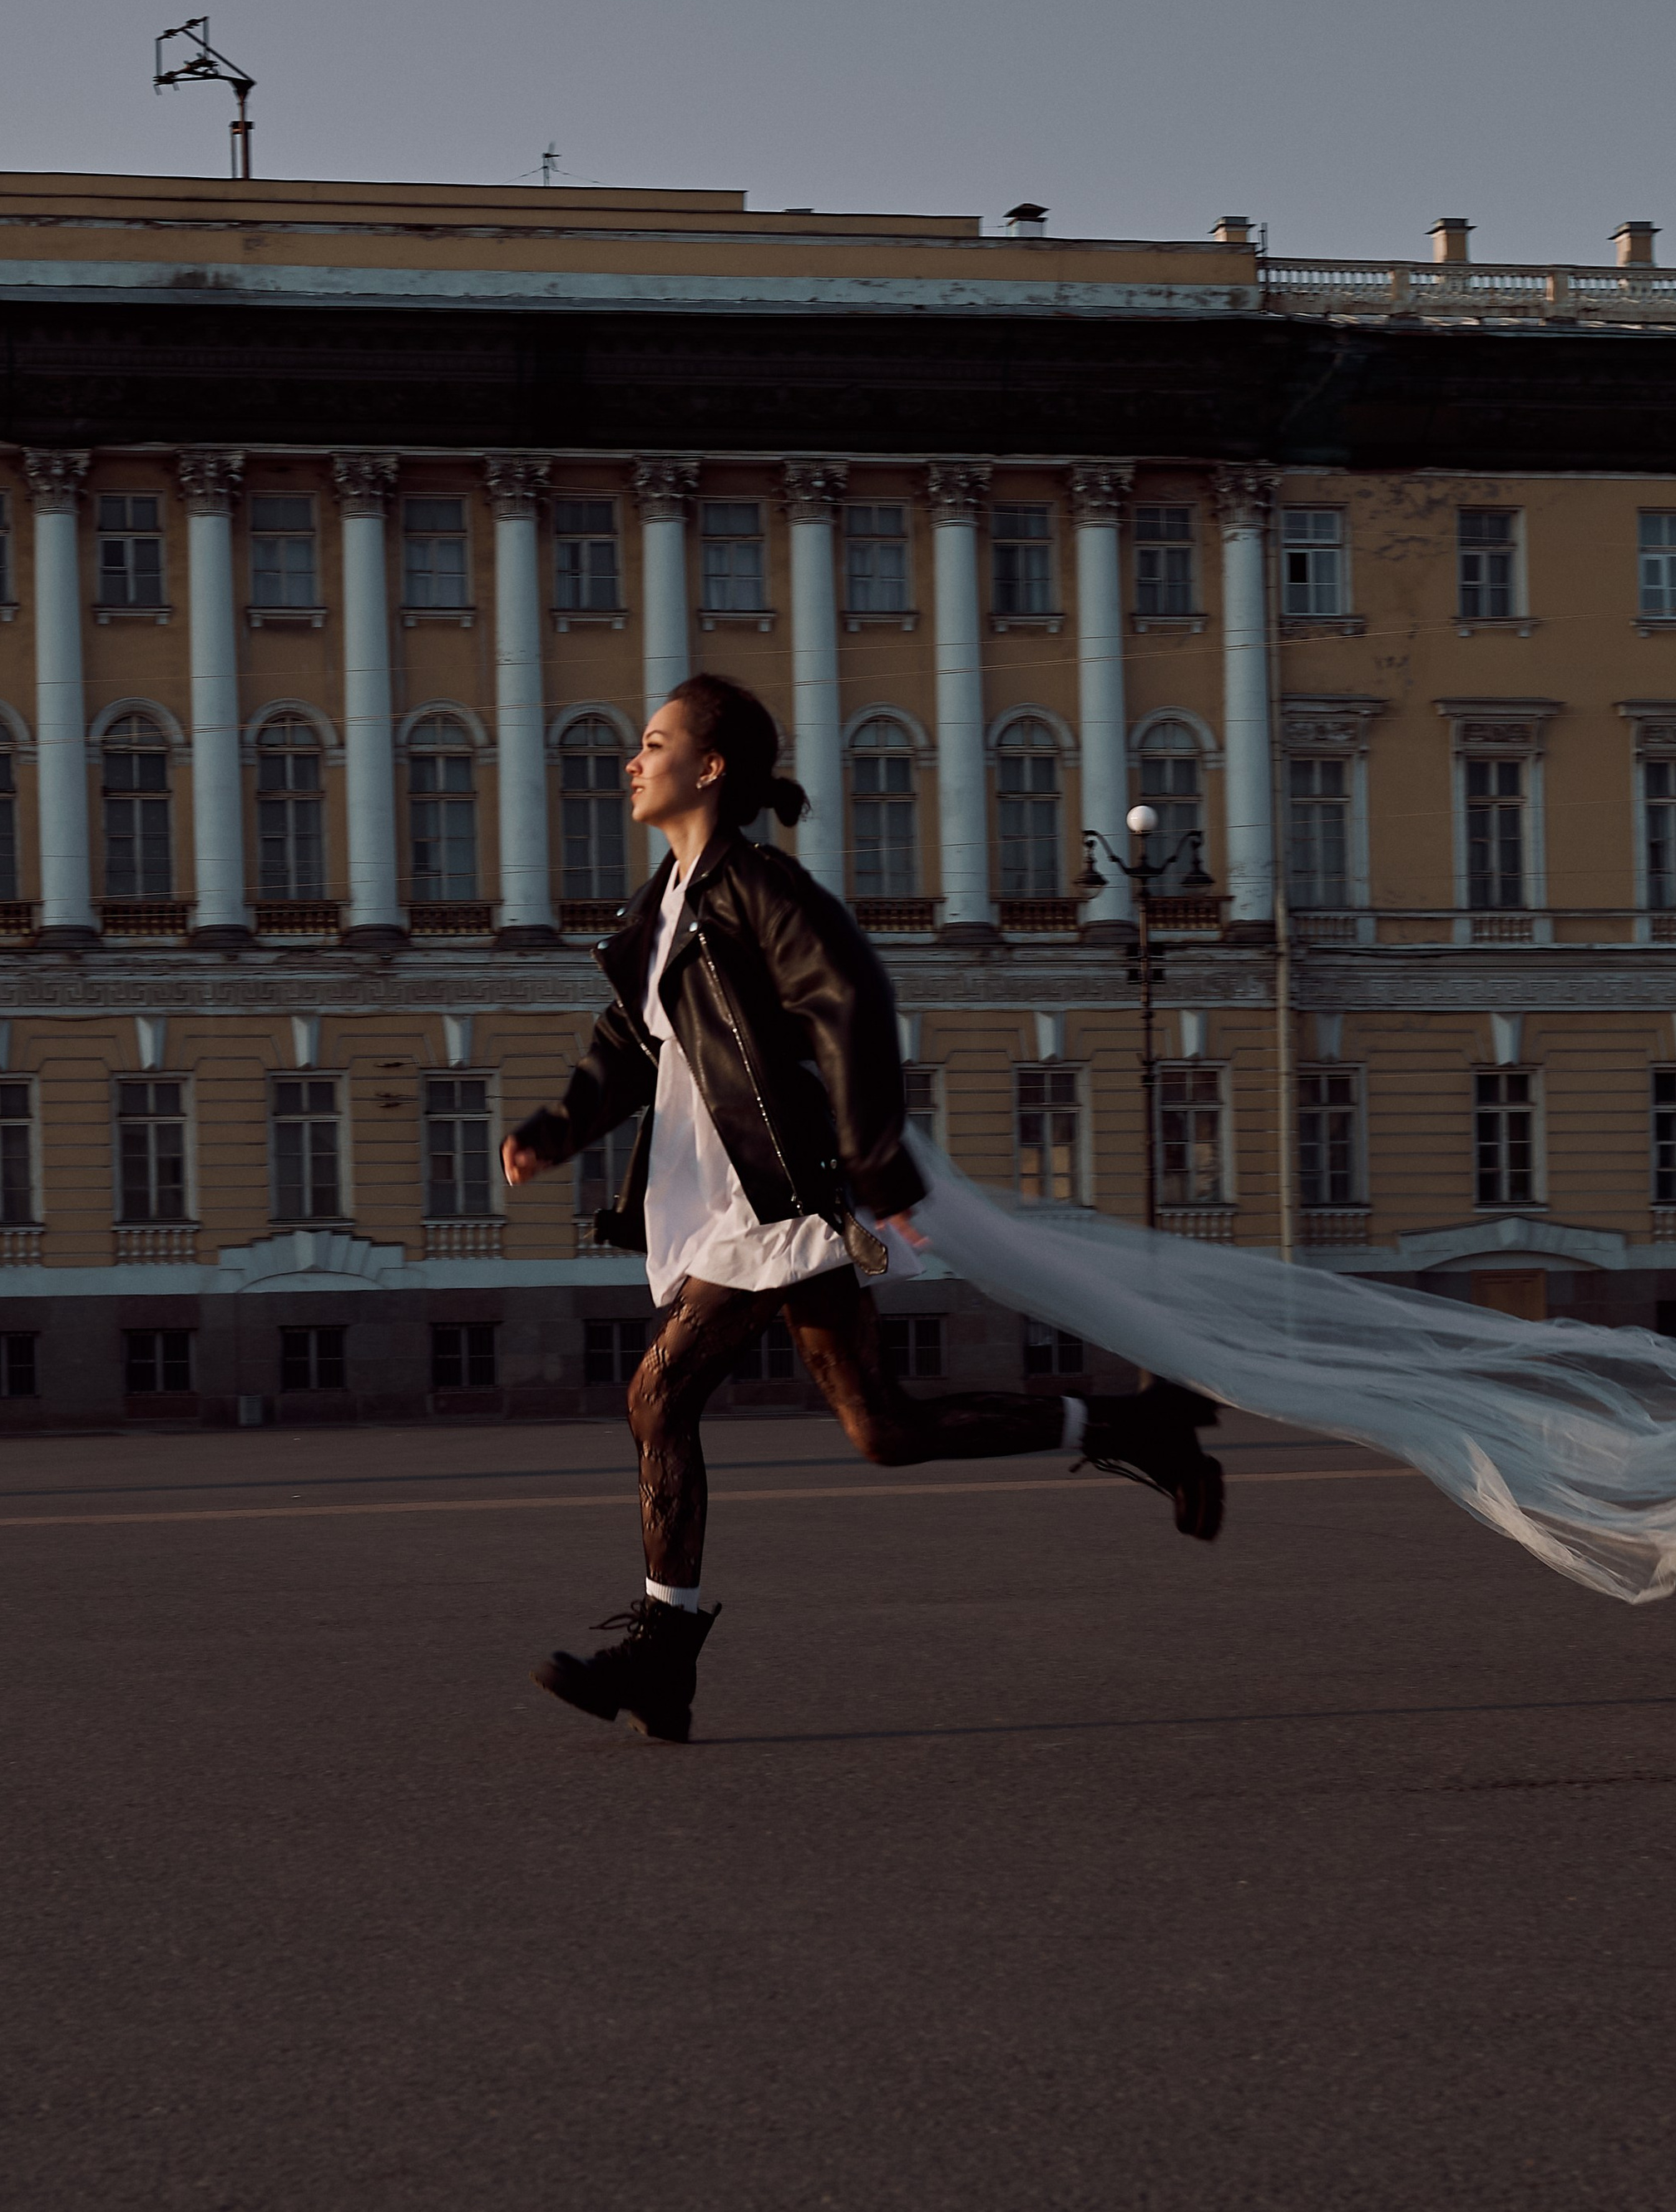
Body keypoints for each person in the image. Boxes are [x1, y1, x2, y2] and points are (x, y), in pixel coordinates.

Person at [502, 673, 1224, 1741]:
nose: (631, 760)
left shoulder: (757, 885)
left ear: (707, 767)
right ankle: (1140, 1425)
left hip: (781, 1191)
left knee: (659, 1398)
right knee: (881, 1427)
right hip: (736, 1187)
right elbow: (629, 1041)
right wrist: (560, 1125)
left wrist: (876, 1160)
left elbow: (848, 995)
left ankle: (663, 1655)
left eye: (652, 742)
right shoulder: (664, 901)